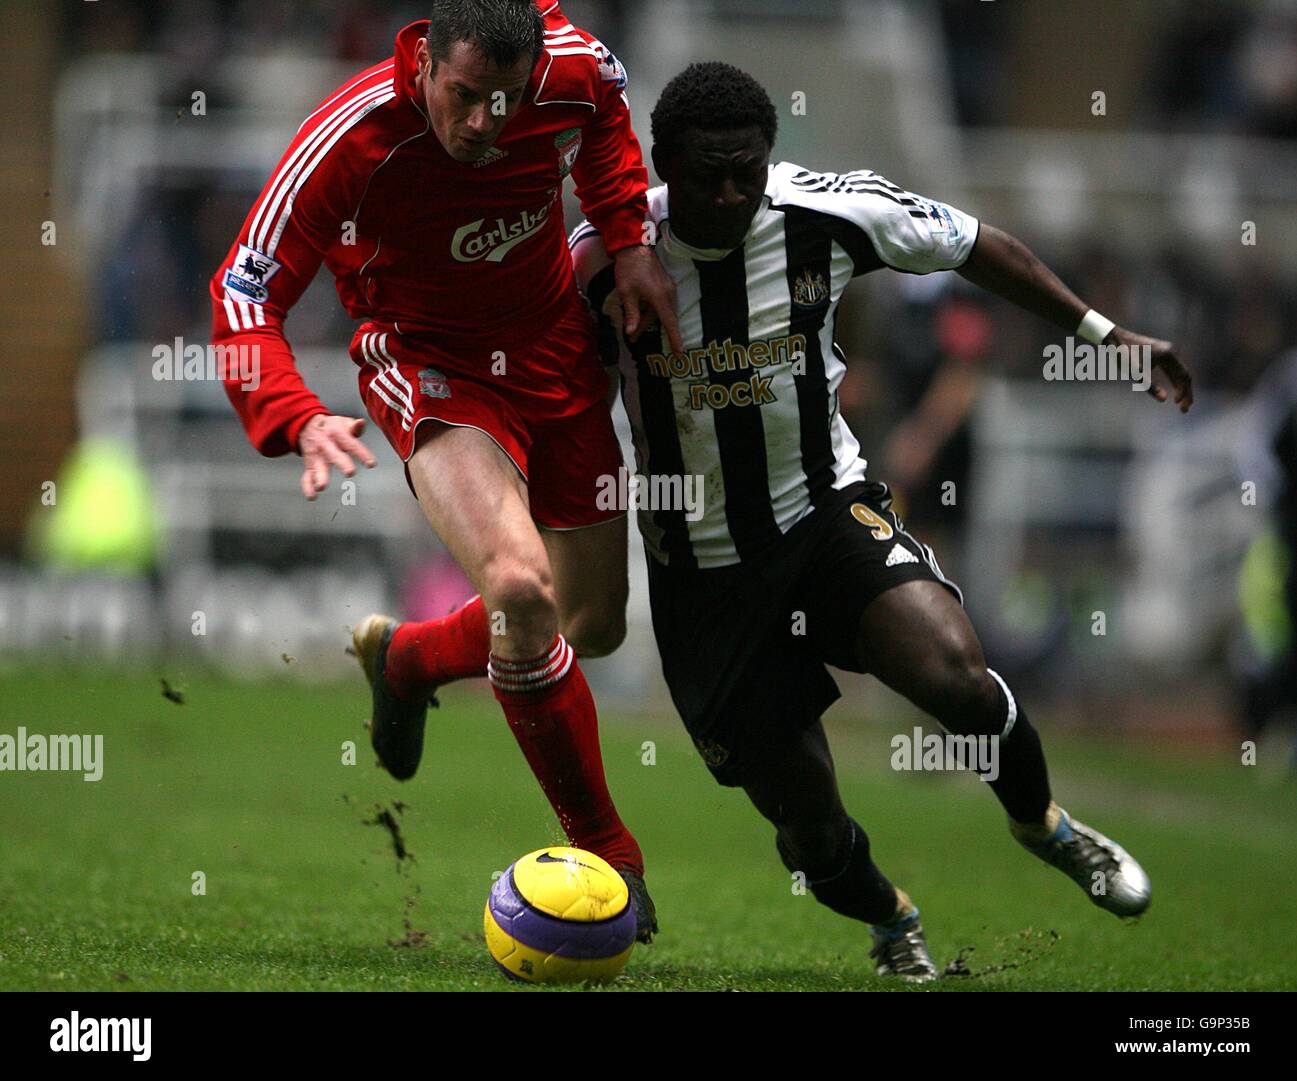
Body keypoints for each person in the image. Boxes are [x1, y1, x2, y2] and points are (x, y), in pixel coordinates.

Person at [571, 61, 1194, 979]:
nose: (734, 193)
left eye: (750, 169)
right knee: (811, 827)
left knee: (959, 676)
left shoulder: (826, 214)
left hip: (824, 512)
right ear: (662, 162)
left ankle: (1045, 824)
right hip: (703, 571)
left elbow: (977, 243)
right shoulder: (601, 257)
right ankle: (890, 915)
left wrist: (1105, 333)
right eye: (709, 175)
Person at [209, 0, 684, 940]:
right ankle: (610, 850)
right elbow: (243, 285)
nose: (482, 125)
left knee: (591, 625)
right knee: (519, 583)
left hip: (553, 352)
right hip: (432, 365)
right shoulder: (349, 137)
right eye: (464, 97)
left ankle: (411, 657)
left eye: (504, 102)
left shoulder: (575, 68)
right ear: (423, 61)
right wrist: (291, 413)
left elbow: (608, 127)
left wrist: (626, 240)